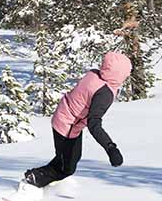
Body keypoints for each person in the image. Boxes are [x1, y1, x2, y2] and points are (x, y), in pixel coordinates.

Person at [23, 51, 132, 187]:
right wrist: (110, 148)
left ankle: (37, 176)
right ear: (118, 74)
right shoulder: (104, 93)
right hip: (67, 124)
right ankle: (33, 181)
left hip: (67, 118)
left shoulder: (95, 74)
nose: (127, 75)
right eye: (126, 72)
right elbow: (94, 124)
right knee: (67, 168)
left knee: (70, 158)